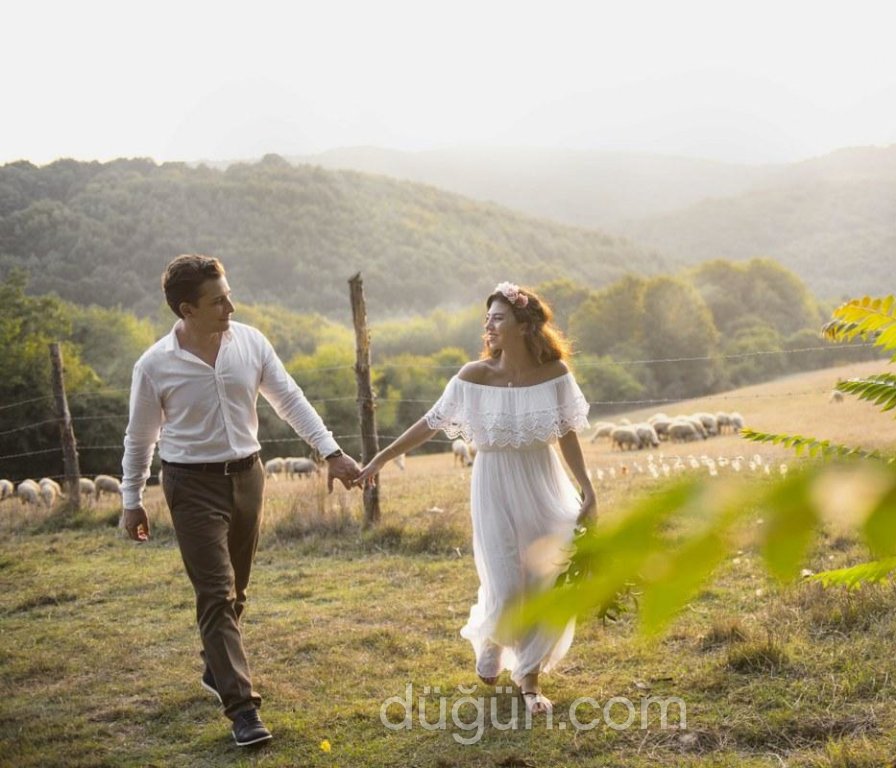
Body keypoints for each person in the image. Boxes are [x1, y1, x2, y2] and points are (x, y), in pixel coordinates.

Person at [119, 254, 361, 746]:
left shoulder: (250, 342)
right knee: (215, 593)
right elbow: (139, 437)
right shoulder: (154, 365)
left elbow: (290, 399)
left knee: (238, 591)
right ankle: (243, 710)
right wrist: (131, 497)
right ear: (187, 309)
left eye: (228, 294)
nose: (231, 305)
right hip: (190, 485)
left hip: (249, 478)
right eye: (218, 300)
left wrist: (331, 453)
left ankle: (216, 667)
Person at [355, 281, 596, 714]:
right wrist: (381, 458)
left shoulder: (555, 375)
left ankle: (529, 678)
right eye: (486, 318)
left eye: (498, 317)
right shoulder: (473, 376)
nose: (488, 325)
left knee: (548, 577)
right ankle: (492, 636)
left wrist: (589, 489)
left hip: (543, 480)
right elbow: (430, 423)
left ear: (524, 326)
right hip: (494, 483)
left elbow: (567, 435)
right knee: (506, 582)